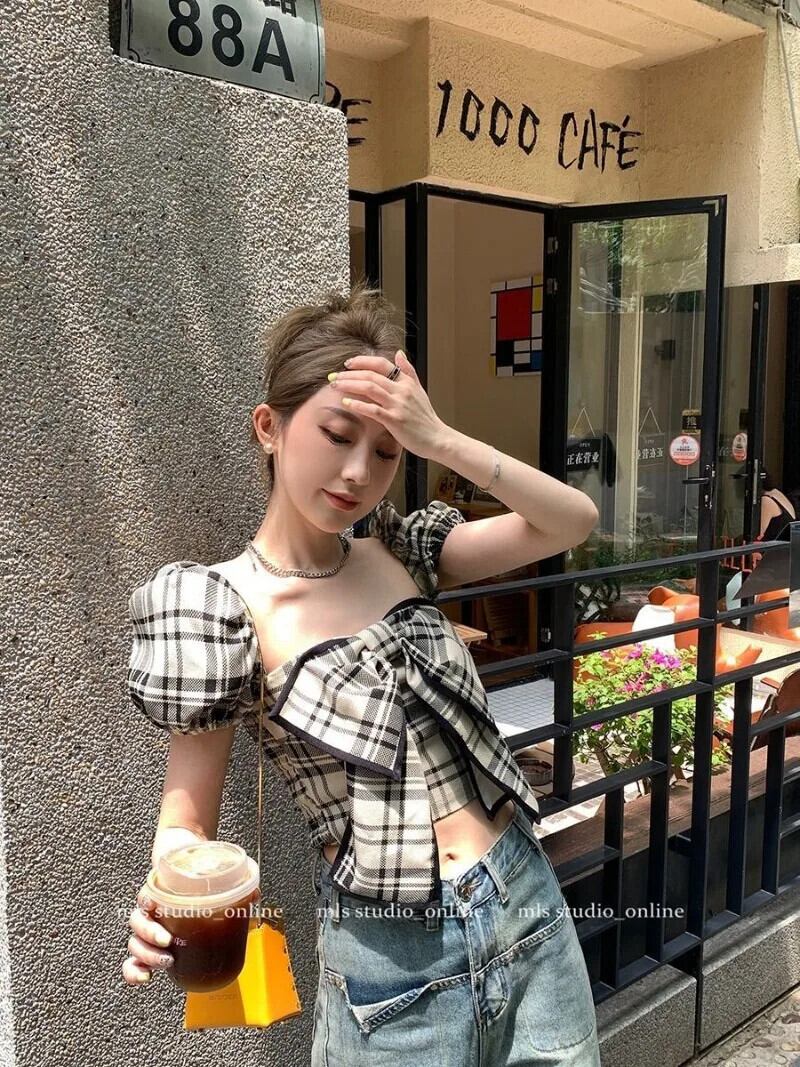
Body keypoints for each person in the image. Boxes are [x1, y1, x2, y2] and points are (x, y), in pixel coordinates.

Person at [121, 283, 602, 1065]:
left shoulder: (400, 550)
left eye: (386, 451)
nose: (357, 472)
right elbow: (185, 821)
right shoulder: (217, 608)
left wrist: (440, 439)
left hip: (526, 902)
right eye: (338, 434)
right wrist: (161, 892)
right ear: (270, 427)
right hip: (394, 959)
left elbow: (571, 520)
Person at [751, 471, 798, 565]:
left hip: (775, 558)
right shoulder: (776, 493)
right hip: (786, 553)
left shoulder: (766, 500)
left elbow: (758, 535)